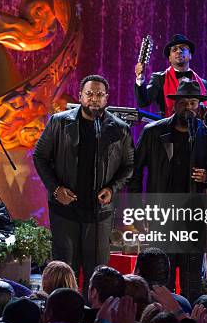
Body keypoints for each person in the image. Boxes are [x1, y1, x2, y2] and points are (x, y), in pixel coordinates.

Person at [33, 74, 134, 294]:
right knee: (64, 272)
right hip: (65, 211)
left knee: (96, 276)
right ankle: (61, 318)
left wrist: (111, 189)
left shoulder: (119, 128)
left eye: (99, 95)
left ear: (106, 99)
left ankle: (91, 319)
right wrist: (56, 189)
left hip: (99, 214)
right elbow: (40, 156)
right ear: (80, 96)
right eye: (89, 94)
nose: (94, 99)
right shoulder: (59, 122)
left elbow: (128, 166)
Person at [129, 79, 207, 301]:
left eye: (194, 102)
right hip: (162, 216)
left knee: (192, 281)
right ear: (174, 104)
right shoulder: (153, 132)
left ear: (200, 105)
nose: (189, 107)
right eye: (184, 102)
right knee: (160, 279)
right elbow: (135, 173)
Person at [134, 34, 207, 117]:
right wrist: (140, 78)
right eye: (174, 49)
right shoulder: (159, 78)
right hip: (168, 129)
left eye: (183, 48)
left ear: (190, 55)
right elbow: (143, 102)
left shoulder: (203, 83)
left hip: (197, 129)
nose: (179, 51)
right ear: (169, 58)